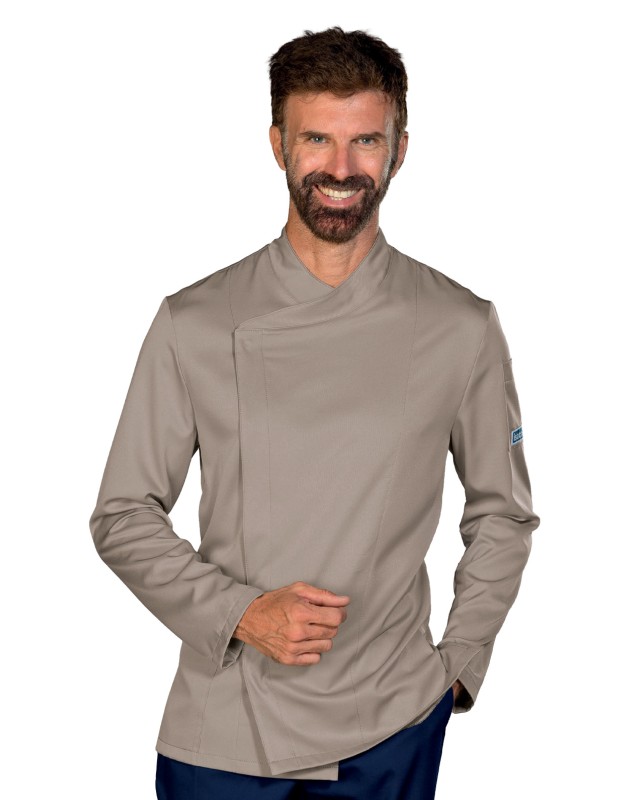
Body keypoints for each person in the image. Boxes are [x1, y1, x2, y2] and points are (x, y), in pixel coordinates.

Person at [89, 26, 540, 800]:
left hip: (390, 725)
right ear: (278, 145)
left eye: (366, 140)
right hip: (226, 729)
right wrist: (240, 613)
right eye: (316, 139)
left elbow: (503, 512)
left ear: (399, 150)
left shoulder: (460, 326)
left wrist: (458, 667)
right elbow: (123, 514)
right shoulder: (195, 320)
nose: (340, 168)